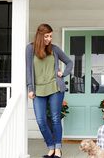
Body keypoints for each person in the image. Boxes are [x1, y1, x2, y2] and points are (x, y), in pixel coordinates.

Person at [26, 23, 73, 158]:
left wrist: (63, 74)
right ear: (40, 36)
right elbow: (29, 69)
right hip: (38, 90)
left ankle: (57, 149)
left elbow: (69, 62)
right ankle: (50, 146)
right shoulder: (30, 49)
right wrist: (30, 88)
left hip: (55, 88)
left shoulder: (55, 49)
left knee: (55, 118)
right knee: (41, 121)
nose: (49, 39)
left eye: (50, 36)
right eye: (46, 36)